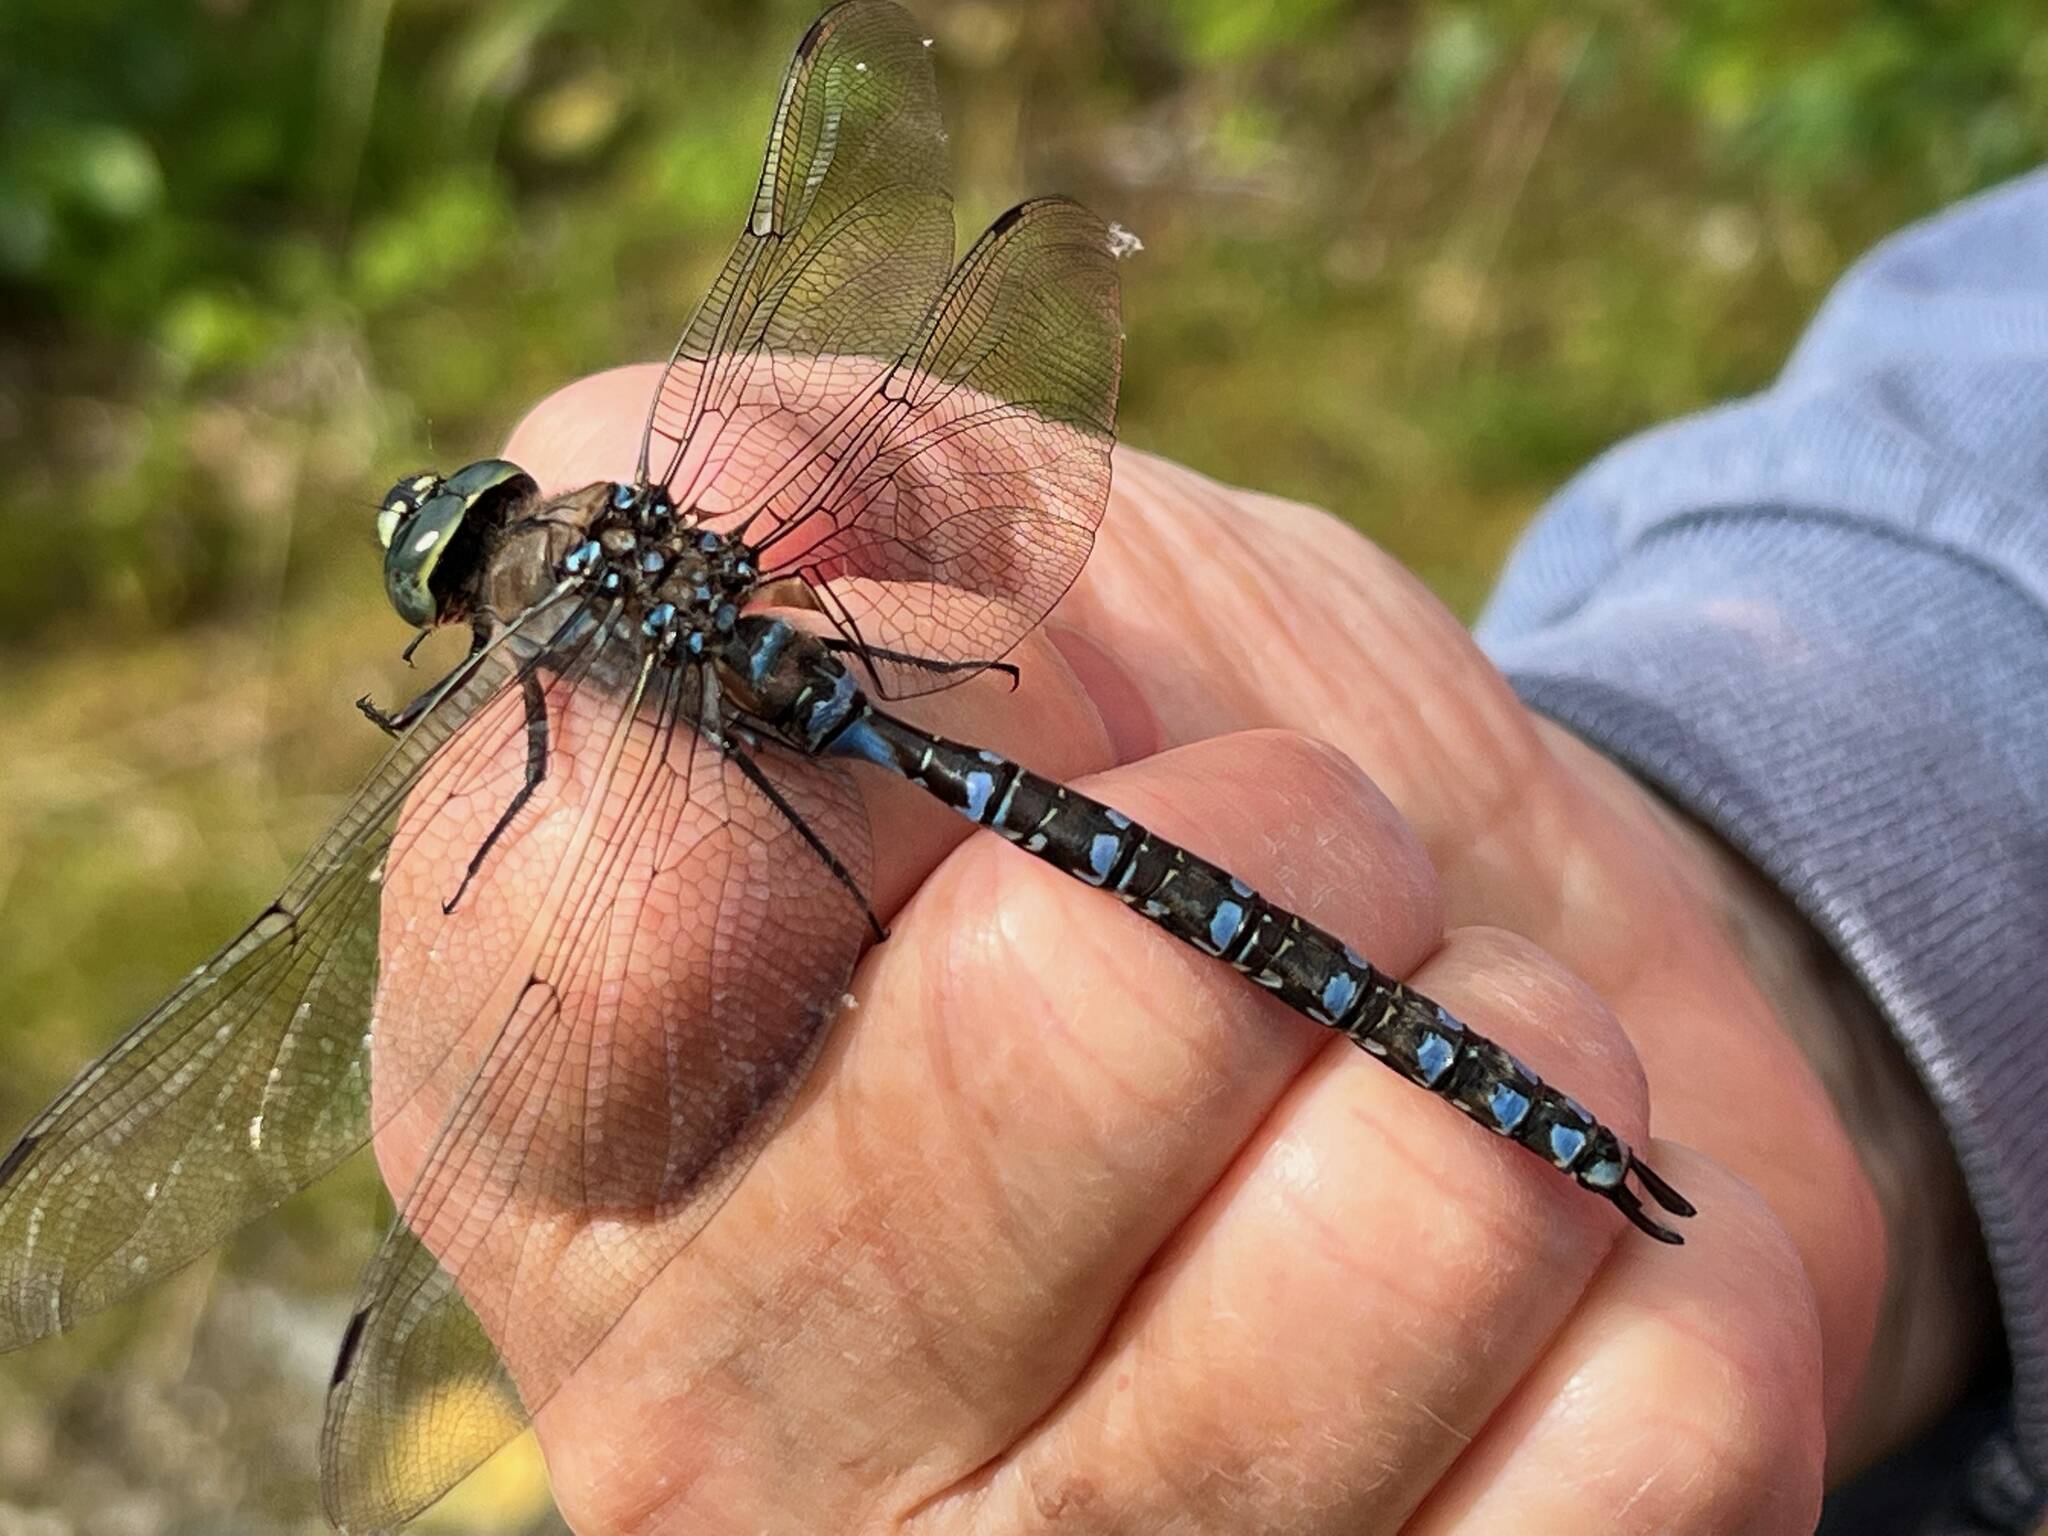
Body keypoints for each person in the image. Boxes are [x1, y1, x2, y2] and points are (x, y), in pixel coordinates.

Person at [380, 170, 2048, 1534]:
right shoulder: (642, 527)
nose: (485, 558)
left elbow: (537, 791)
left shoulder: (542, 660)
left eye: (463, 554)